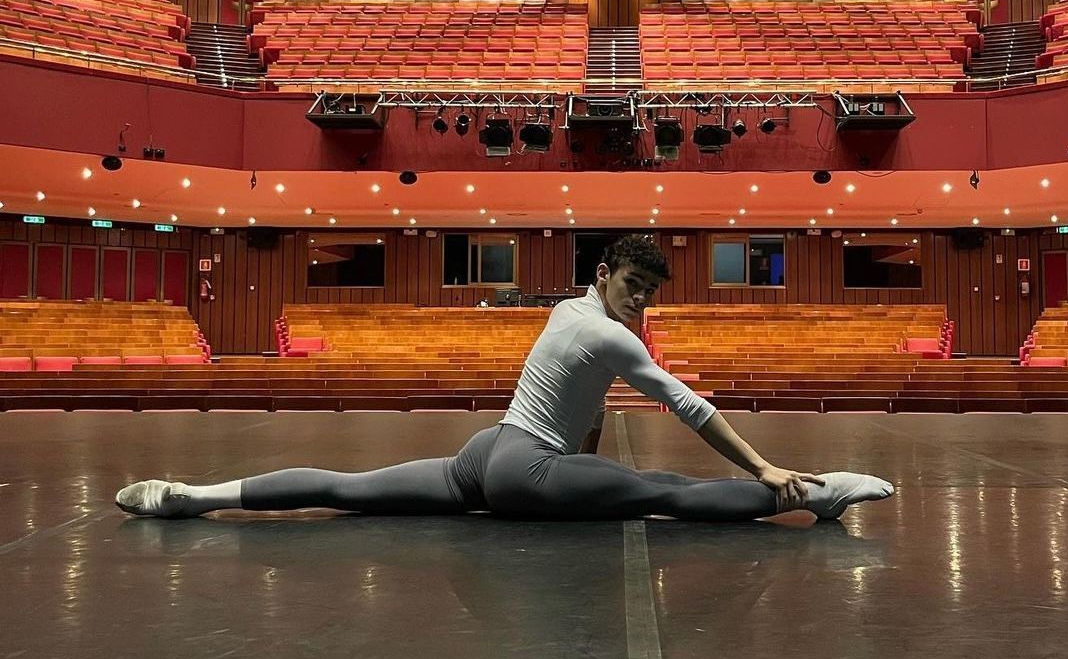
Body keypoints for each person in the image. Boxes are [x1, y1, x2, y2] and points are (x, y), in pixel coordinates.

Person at [115, 234, 893, 522]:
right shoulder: (612, 334)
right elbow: (689, 406)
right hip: (525, 469)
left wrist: (583, 463)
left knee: (350, 490)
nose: (641, 304)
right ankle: (813, 495)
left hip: (487, 451)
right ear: (605, 275)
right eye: (633, 288)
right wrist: (762, 464)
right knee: (664, 490)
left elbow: (585, 403)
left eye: (650, 294)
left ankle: (193, 497)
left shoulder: (569, 308)